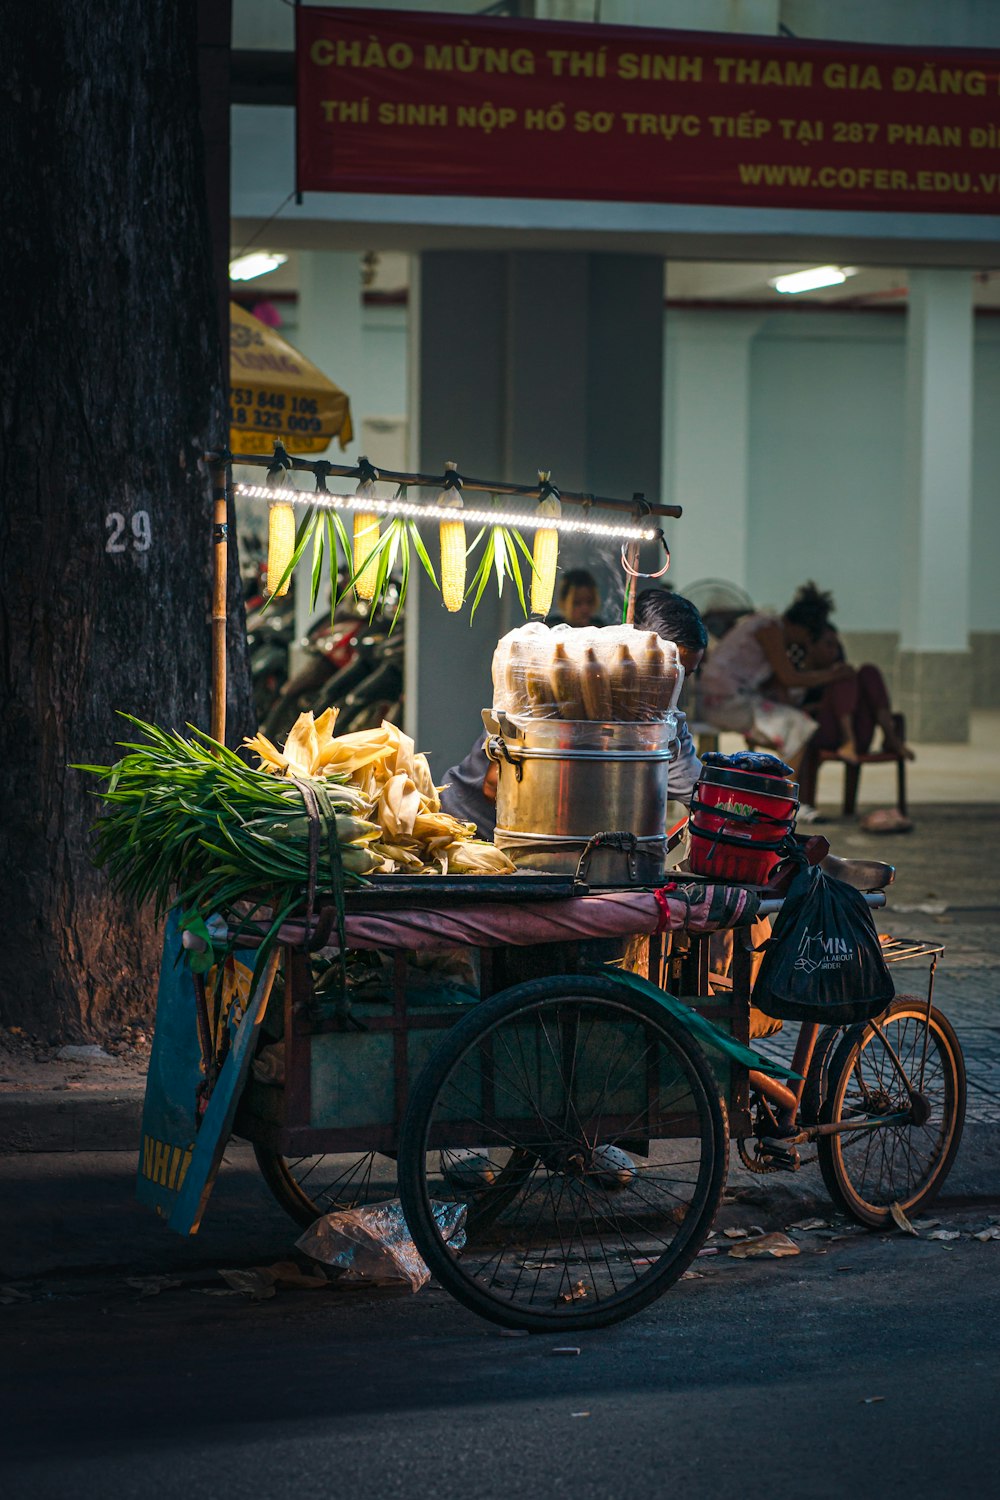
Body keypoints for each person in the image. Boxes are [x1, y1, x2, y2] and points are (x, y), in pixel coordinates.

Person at [439, 587, 709, 835]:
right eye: (666, 671)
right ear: (637, 653)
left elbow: (699, 791)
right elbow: (495, 784)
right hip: (467, 828)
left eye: (686, 675)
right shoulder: (569, 681)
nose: (674, 684)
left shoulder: (661, 725)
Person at [697, 582, 854, 795]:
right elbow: (789, 678)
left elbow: (779, 687)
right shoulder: (770, 628)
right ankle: (783, 796)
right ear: (803, 630)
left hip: (725, 701)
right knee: (801, 727)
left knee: (795, 728)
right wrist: (832, 675)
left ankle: (782, 792)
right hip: (723, 702)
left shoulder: (763, 628)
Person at [794, 622, 914, 810]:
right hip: (823, 732)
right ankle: (848, 740)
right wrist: (827, 694)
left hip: (859, 734)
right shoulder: (798, 674)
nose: (833, 651)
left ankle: (889, 736)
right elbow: (793, 709)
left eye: (836, 646)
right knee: (845, 679)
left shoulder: (839, 669)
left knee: (868, 671)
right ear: (811, 645)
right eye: (828, 645)